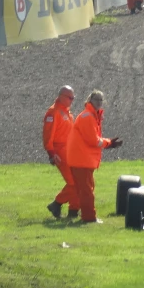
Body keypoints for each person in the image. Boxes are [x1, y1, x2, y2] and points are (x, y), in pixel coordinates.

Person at [66, 90, 123, 224]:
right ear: (90, 100)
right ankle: (89, 218)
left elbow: (94, 140)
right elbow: (93, 140)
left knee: (84, 188)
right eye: (96, 99)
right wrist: (109, 143)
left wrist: (108, 143)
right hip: (81, 160)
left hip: (82, 159)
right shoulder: (88, 117)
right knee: (87, 191)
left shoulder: (91, 116)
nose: (98, 102)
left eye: (100, 100)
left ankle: (75, 213)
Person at [44, 86, 80, 220]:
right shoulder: (53, 113)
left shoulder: (67, 113)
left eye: (73, 98)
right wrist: (52, 154)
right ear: (61, 96)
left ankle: (73, 211)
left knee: (78, 180)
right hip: (60, 151)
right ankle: (57, 203)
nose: (72, 100)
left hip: (70, 151)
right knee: (74, 182)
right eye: (70, 98)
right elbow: (48, 135)